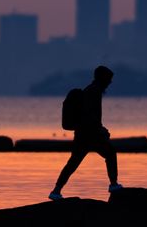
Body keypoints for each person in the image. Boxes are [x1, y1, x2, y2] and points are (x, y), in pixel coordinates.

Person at [50, 65, 122, 200]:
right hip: (90, 135)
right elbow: (89, 115)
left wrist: (100, 129)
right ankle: (113, 184)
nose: (110, 82)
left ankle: (56, 191)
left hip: (83, 134)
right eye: (108, 79)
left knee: (73, 163)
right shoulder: (94, 92)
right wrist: (100, 130)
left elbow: (90, 115)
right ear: (102, 78)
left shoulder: (93, 90)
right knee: (110, 153)